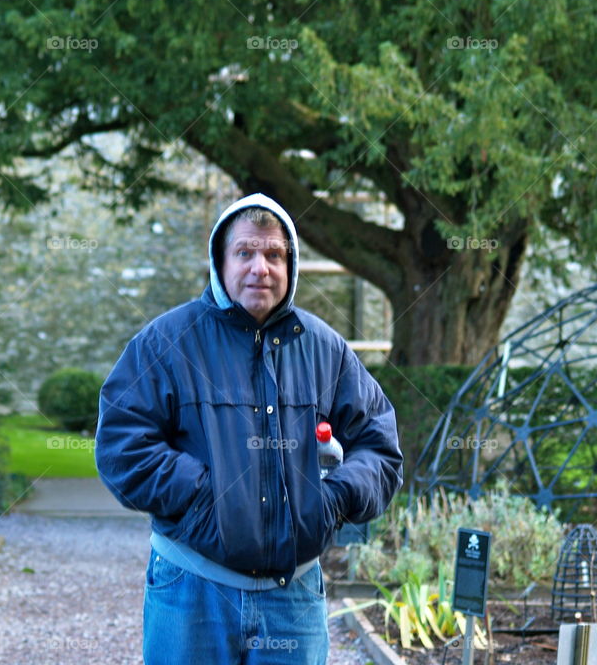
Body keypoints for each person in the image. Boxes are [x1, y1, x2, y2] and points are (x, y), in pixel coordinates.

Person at [95, 193, 403, 664]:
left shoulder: (326, 349)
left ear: (290, 263)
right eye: (245, 253)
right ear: (221, 262)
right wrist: (204, 496)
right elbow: (122, 445)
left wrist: (334, 498)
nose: (260, 267)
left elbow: (379, 448)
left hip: (293, 598)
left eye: (274, 254)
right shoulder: (166, 341)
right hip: (192, 589)